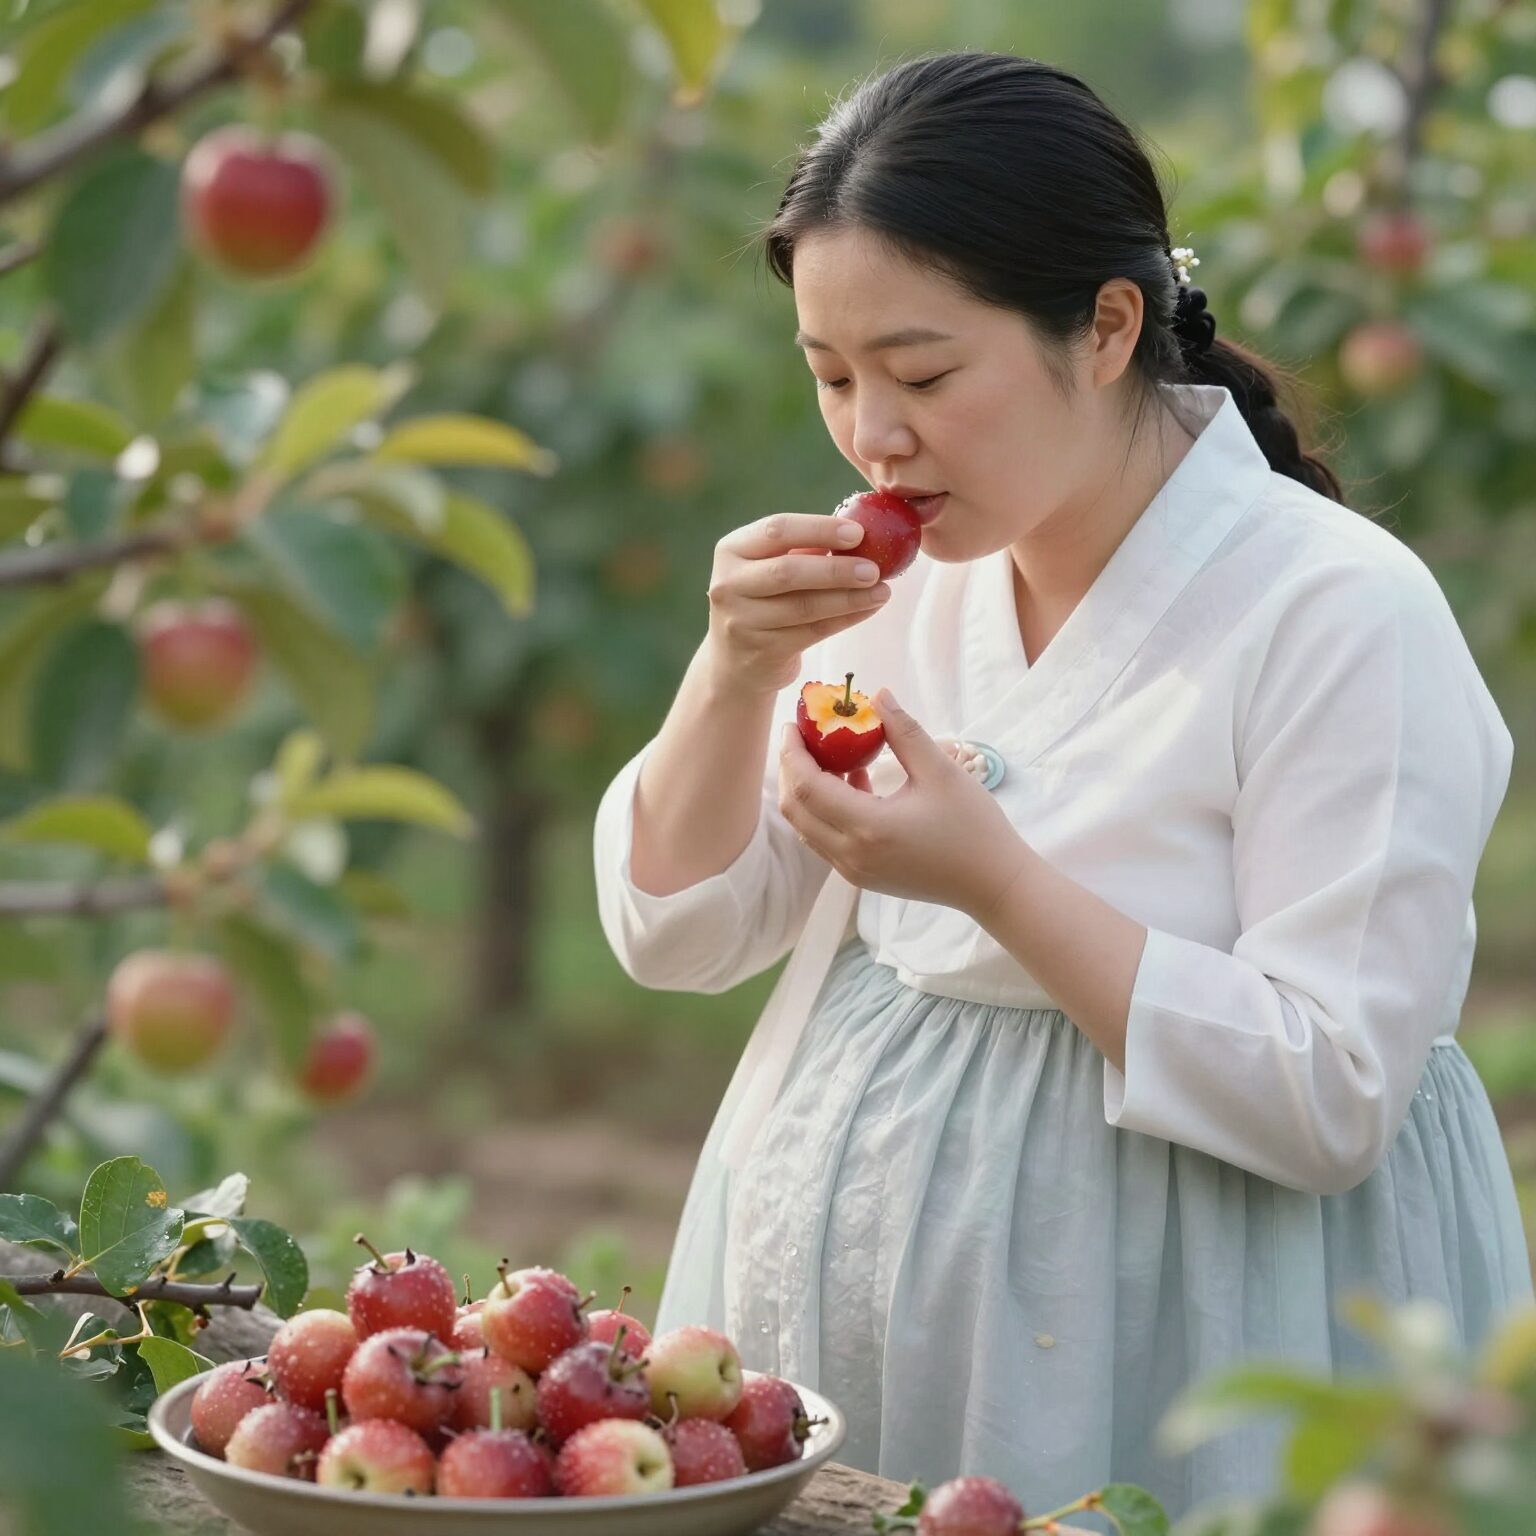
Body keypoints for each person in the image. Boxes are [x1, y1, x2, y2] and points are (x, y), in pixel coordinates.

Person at [591, 50, 1533, 1522]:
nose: (871, 437)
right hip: (870, 1317)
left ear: (1105, 327)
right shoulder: (902, 584)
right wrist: (725, 674)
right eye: (831, 376)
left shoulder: (1338, 612)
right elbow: (681, 937)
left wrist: (995, 881)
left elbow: (1332, 1090)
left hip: (1192, 1310)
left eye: (921, 373)